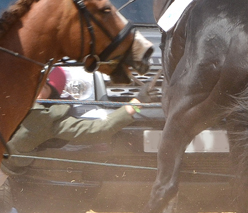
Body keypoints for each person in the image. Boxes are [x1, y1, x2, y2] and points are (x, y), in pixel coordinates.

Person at [0, 67, 142, 177]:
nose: (35, 88)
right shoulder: (7, 96)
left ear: (52, 95)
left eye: (44, 87)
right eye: (34, 82)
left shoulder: (51, 119)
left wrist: (137, 103)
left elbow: (99, 128)